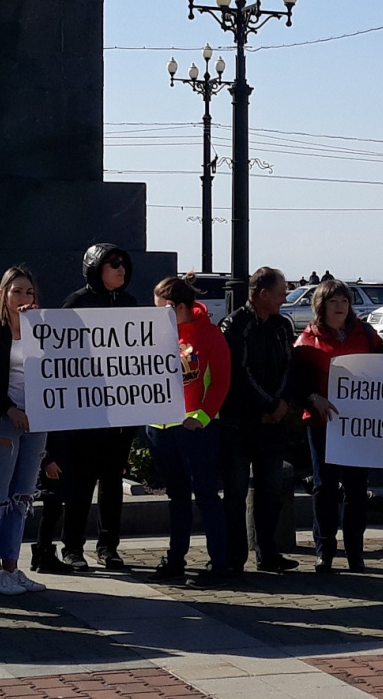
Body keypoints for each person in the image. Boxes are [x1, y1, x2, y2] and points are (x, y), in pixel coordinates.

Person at [40, 243, 138, 572]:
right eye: (113, 264)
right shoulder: (76, 303)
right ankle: (73, 548)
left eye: (124, 263)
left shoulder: (130, 304)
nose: (121, 269)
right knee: (80, 485)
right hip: (84, 414)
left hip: (118, 413)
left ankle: (108, 547)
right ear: (96, 268)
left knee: (112, 484)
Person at [292, 280, 383, 573]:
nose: (341, 306)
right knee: (325, 487)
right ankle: (325, 549)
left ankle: (355, 551)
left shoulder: (366, 334)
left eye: (345, 300)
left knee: (357, 488)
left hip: (359, 425)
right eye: (334, 301)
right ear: (321, 306)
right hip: (323, 423)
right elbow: (296, 382)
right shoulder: (306, 340)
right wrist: (311, 396)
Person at [148, 276, 232, 588]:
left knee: (207, 495)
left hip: (195, 429)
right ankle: (175, 560)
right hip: (161, 427)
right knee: (177, 497)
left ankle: (218, 563)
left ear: (180, 307)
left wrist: (202, 416)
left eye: (164, 309)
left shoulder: (208, 334)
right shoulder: (153, 334)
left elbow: (221, 381)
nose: (158, 315)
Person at [218, 267, 298, 572]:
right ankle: (234, 557)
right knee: (236, 493)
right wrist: (268, 402)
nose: (284, 299)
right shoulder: (235, 325)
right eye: (280, 293)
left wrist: (282, 402)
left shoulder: (281, 326)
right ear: (263, 294)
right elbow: (240, 372)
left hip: (273, 424)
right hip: (239, 423)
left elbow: (290, 366)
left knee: (271, 492)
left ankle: (269, 552)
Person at [0, 267, 48, 596]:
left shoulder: (44, 330)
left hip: (37, 422)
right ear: (3, 294)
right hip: (3, 420)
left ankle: (12, 567)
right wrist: (10, 409)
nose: (23, 298)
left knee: (22, 498)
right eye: (17, 291)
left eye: (29, 292)